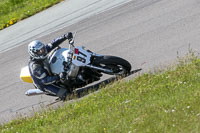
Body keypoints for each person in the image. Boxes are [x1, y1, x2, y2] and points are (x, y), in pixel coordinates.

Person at [28, 32, 73, 100]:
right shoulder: (35, 66)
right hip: (45, 84)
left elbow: (53, 43)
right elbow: (45, 80)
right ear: (34, 53)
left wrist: (64, 36)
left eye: (42, 49)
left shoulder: (43, 52)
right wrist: (58, 76)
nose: (42, 51)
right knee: (68, 95)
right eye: (39, 51)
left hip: (49, 71)